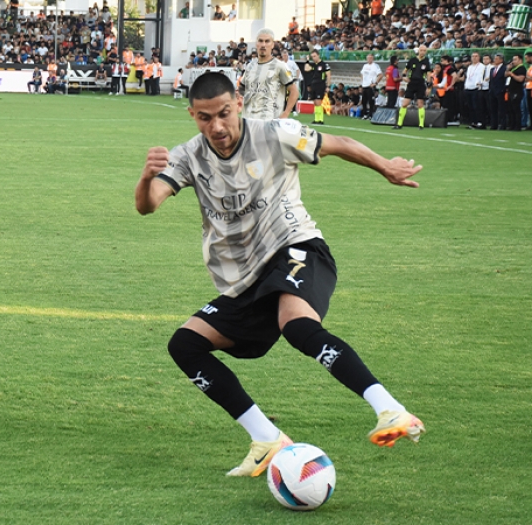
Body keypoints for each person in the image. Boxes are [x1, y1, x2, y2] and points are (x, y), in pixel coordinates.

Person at [134, 72, 425, 478]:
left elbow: (339, 143)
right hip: (246, 278)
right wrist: (147, 177)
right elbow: (148, 205)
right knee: (185, 344)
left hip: (297, 246)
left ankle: (391, 410)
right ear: (192, 115)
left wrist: (385, 167)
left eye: (223, 113)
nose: (216, 126)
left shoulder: (275, 134)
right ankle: (268, 439)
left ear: (238, 103)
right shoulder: (188, 156)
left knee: (297, 324)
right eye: (204, 118)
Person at [240, 29, 298, 120]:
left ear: (272, 45)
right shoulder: (250, 66)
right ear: (256, 44)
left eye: (267, 41)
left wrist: (286, 113)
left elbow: (294, 91)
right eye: (260, 41)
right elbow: (241, 89)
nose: (263, 45)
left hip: (269, 121)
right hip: (248, 121)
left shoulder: (280, 66)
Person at [394, 45, 431, 130]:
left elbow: (428, 74)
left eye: (424, 50)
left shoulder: (426, 61)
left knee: (420, 104)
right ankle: (399, 124)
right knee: (404, 104)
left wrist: (428, 86)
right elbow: (405, 70)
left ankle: (421, 125)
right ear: (418, 51)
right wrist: (404, 77)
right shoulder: (412, 60)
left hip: (421, 84)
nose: (422, 52)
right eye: (421, 50)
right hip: (411, 83)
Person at [303, 49, 330, 124]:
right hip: (313, 85)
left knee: (318, 102)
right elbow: (306, 69)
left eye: (314, 56)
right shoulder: (314, 65)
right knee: (315, 102)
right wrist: (307, 60)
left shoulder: (324, 65)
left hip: (320, 85)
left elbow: (328, 75)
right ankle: (316, 119)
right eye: (312, 57)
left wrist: (328, 86)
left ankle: (320, 119)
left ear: (318, 55)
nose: (313, 58)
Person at [463, 52, 486, 129]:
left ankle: (480, 122)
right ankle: (473, 122)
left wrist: (478, 83)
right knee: (470, 107)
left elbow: (480, 76)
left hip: (476, 88)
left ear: (479, 57)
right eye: (473, 56)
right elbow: (468, 77)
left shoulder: (481, 66)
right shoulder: (470, 67)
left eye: (476, 56)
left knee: (477, 106)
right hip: (468, 88)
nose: (474, 58)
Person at [505, 55, 526, 131]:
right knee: (511, 109)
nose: (513, 61)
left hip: (517, 91)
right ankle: (512, 125)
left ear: (520, 60)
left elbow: (520, 79)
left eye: (515, 59)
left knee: (516, 109)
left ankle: (518, 126)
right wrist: (508, 69)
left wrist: (512, 74)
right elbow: (505, 74)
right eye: (513, 59)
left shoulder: (521, 68)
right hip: (511, 90)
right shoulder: (513, 68)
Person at [359, 54, 383, 119]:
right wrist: (362, 82)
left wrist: (375, 83)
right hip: (364, 86)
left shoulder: (375, 66)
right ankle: (364, 114)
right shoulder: (365, 65)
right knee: (364, 101)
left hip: (370, 86)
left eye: (370, 58)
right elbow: (362, 74)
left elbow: (380, 75)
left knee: (371, 101)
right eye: (368, 58)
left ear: (373, 59)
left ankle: (370, 115)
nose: (369, 59)